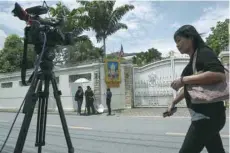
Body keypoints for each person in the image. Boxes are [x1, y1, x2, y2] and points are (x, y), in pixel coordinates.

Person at [167, 25, 226, 153]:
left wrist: (183, 80)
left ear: (190, 37)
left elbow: (219, 75)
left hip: (206, 117)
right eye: (175, 42)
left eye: (179, 40)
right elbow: (188, 88)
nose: (177, 45)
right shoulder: (193, 61)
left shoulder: (204, 52)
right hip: (209, 117)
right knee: (216, 150)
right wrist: (173, 102)